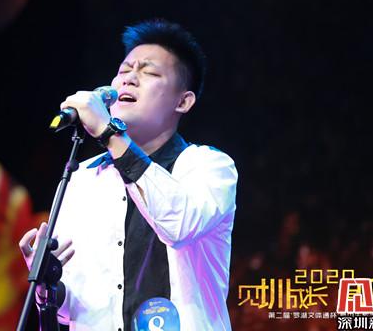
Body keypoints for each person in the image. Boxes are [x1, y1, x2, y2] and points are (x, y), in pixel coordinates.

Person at [19, 19, 238, 330]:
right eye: (124, 71)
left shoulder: (209, 166)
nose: (129, 79)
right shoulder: (81, 179)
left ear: (183, 101)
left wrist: (109, 132)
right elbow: (78, 309)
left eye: (149, 73)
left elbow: (179, 225)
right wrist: (48, 286)